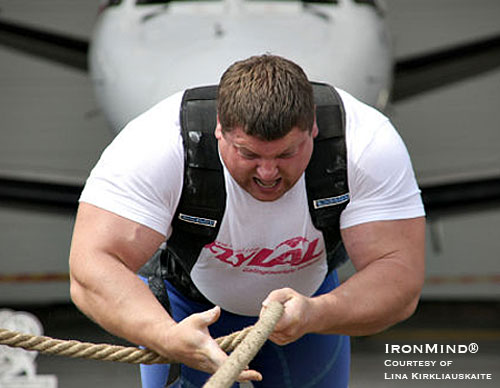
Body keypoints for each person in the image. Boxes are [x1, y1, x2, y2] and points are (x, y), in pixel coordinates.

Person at [69, 54, 425, 387]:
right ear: (219, 129)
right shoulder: (156, 144)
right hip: (184, 312)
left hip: (307, 311)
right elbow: (92, 265)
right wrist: (166, 335)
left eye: (287, 153)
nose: (268, 173)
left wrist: (316, 313)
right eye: (249, 154)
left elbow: (400, 276)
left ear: (313, 129)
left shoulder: (365, 143)